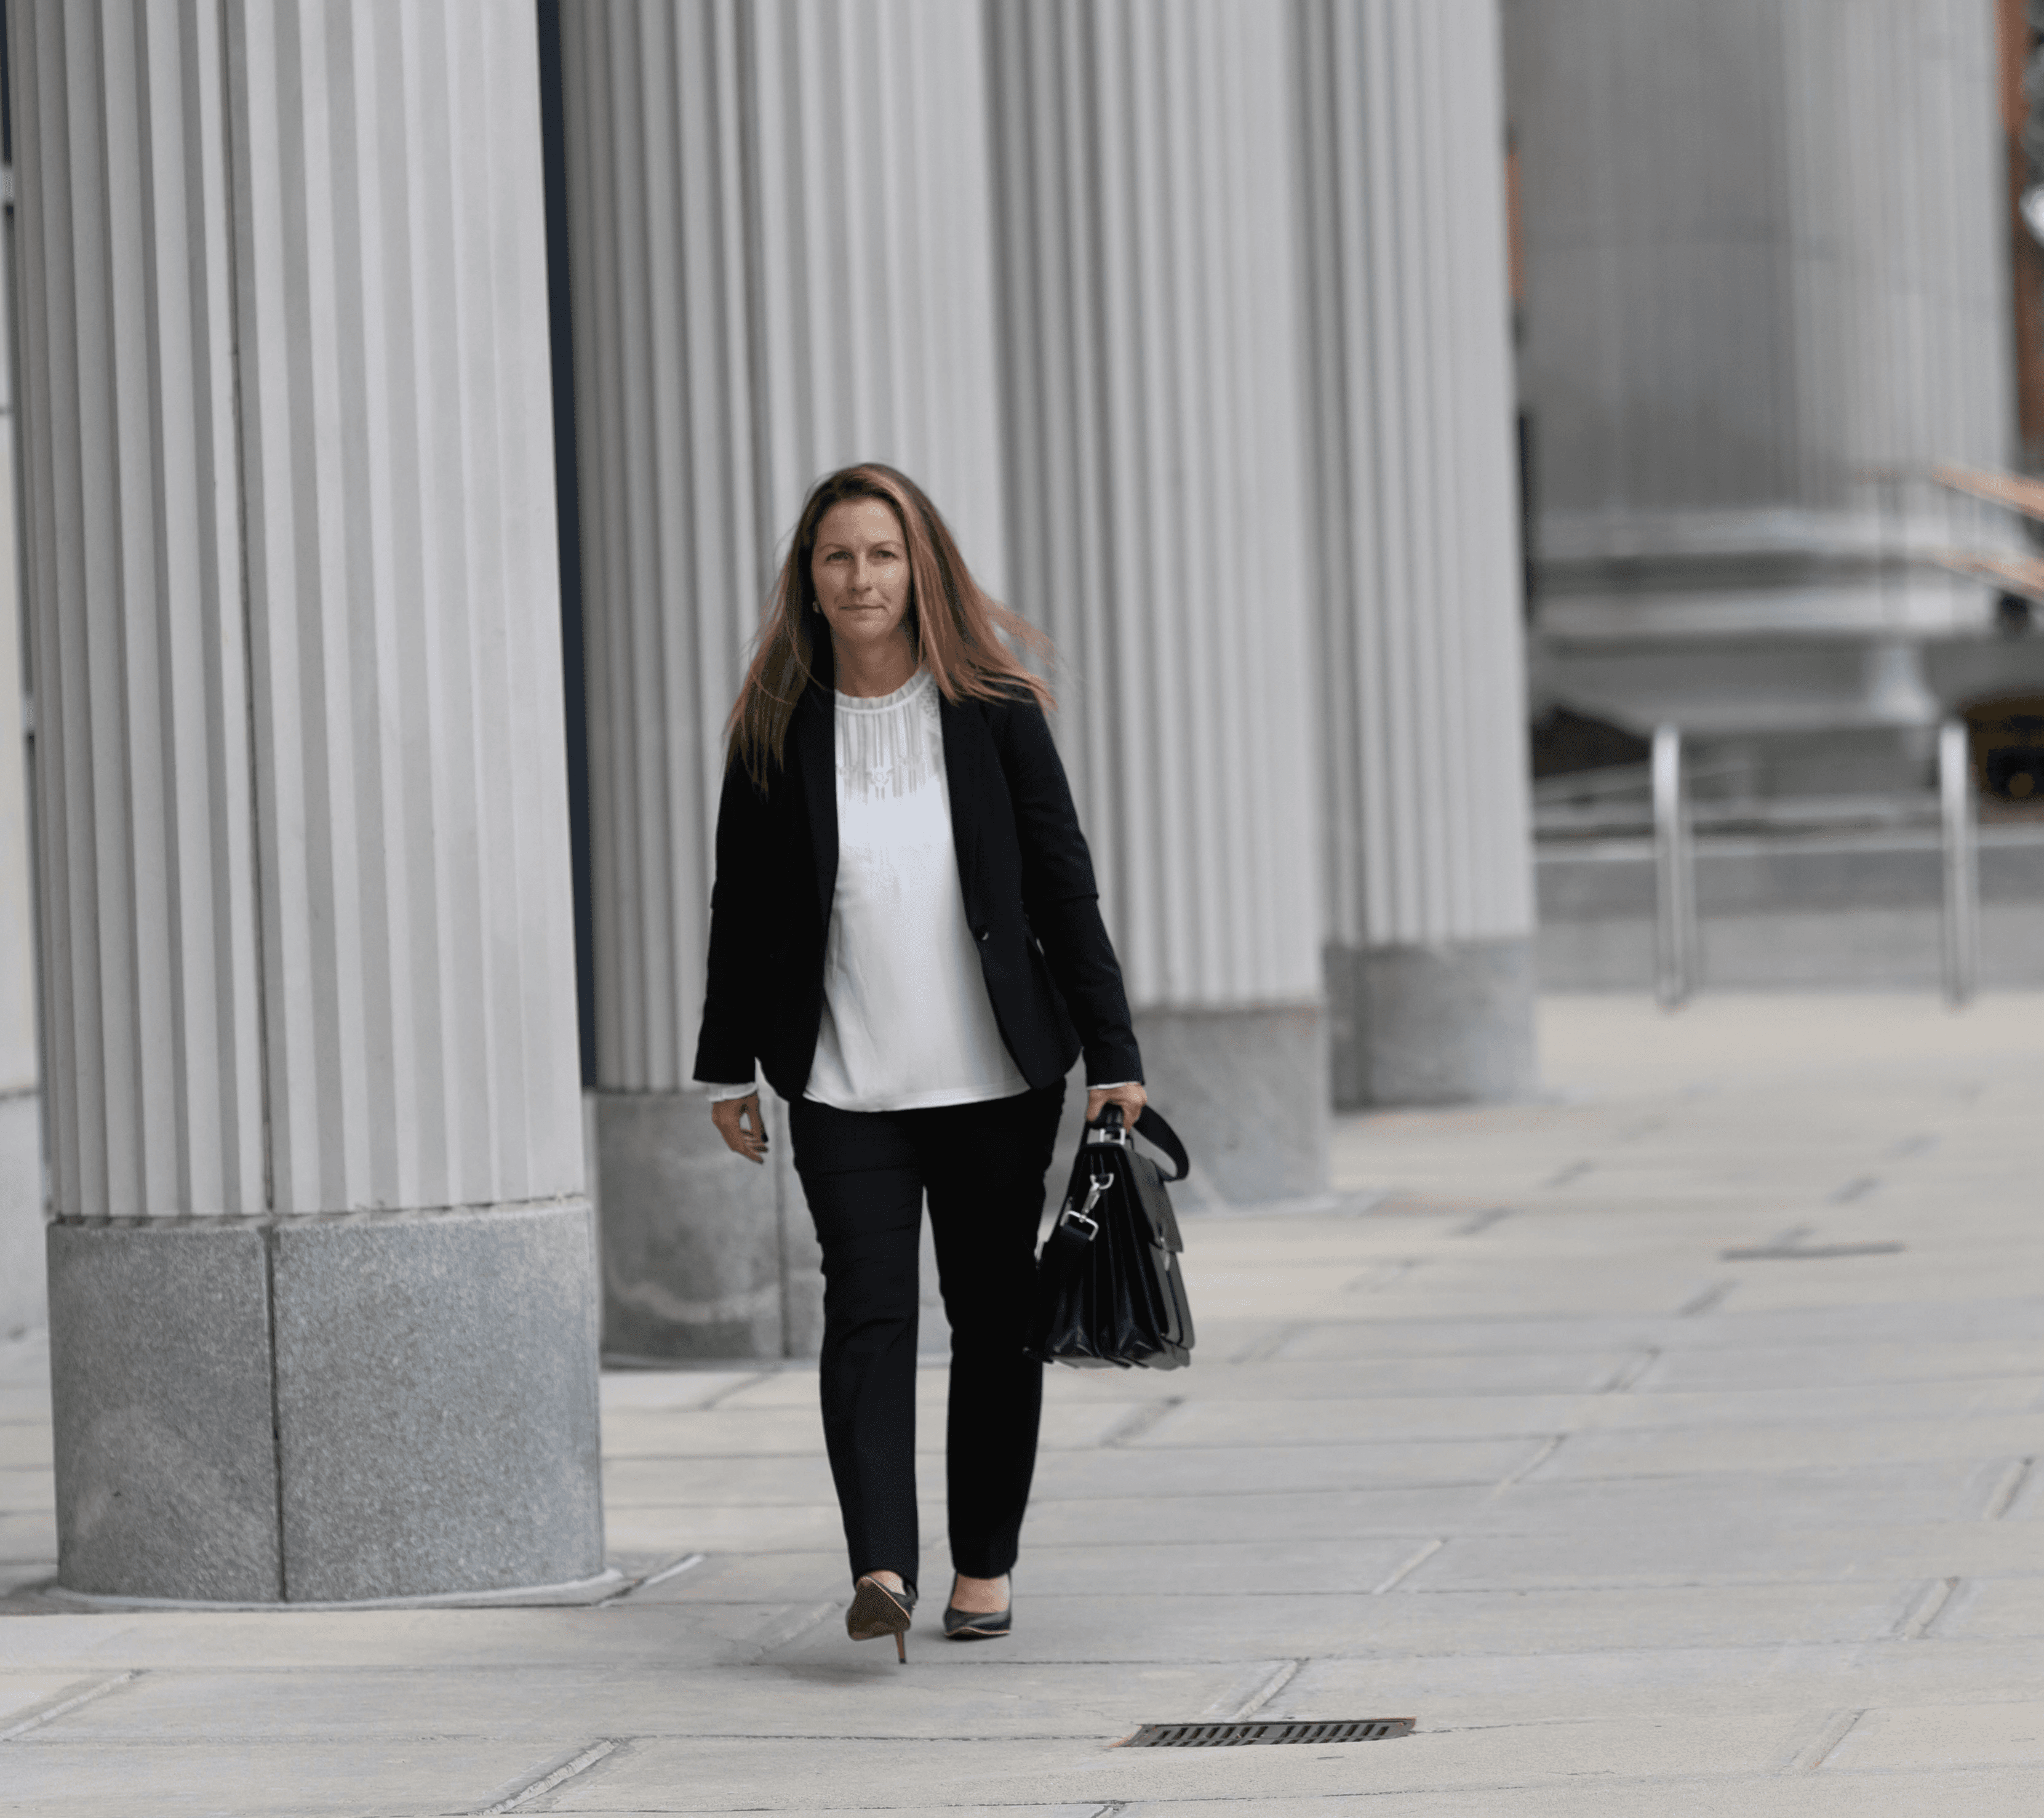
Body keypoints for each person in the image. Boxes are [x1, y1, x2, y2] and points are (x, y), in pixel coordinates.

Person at [693, 463, 1146, 1662]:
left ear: (919, 567)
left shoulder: (996, 711)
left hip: (997, 1084)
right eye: (838, 557)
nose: (861, 578)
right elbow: (740, 907)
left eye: (882, 555)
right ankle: (881, 1568)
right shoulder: (774, 730)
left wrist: (1115, 1054)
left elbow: (1063, 886)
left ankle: (982, 1563)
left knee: (995, 1320)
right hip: (845, 1085)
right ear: (810, 579)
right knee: (867, 1315)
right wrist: (724, 1065)